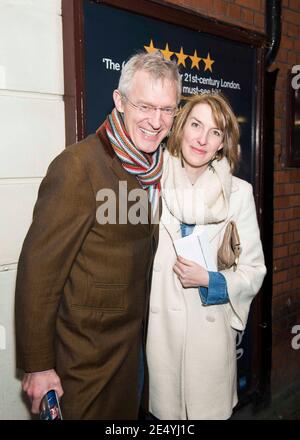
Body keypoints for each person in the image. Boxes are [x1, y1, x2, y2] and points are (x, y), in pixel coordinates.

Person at [15, 51, 181, 420]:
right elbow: (38, 274)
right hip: (85, 363)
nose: (156, 122)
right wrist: (39, 367)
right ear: (120, 102)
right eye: (145, 106)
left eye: (167, 109)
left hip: (134, 353)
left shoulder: (154, 169)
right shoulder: (78, 167)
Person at [146, 93, 266, 420]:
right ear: (180, 128)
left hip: (210, 342)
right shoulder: (150, 184)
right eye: (196, 125)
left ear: (222, 143)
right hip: (161, 339)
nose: (202, 138)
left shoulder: (239, 194)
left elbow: (254, 270)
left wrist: (210, 280)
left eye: (215, 132)